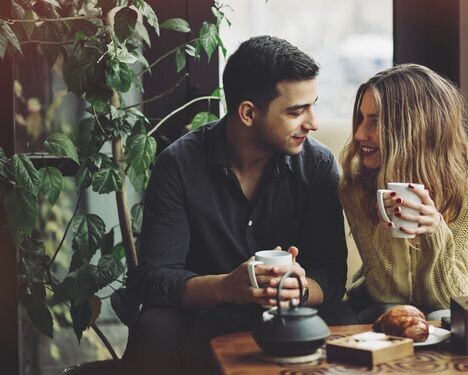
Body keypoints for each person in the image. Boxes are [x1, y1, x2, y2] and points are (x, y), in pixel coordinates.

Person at [123, 35, 353, 374]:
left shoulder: (317, 165)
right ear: (248, 113)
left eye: (312, 105)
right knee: (154, 327)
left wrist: (298, 288)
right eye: (296, 111)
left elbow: (331, 276)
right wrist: (227, 287)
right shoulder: (179, 164)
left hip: (292, 317)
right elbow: (157, 279)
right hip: (205, 314)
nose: (313, 123)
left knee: (344, 320)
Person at [339, 63, 468, 323]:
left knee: (447, 320)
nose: (359, 134)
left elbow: (448, 299)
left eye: (375, 122)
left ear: (413, 128)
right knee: (392, 314)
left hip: (440, 306)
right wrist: (394, 229)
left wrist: (434, 231)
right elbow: (388, 294)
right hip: (374, 305)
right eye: (361, 119)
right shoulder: (356, 185)